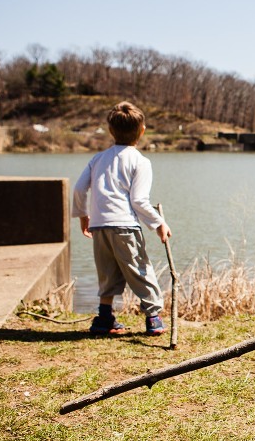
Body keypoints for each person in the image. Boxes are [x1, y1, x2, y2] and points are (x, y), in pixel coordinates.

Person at [72, 101, 171, 336]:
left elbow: (78, 189)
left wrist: (83, 215)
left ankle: (104, 319)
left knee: (106, 272)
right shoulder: (140, 161)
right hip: (125, 225)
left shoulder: (97, 159)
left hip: (99, 225)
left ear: (110, 130)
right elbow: (138, 200)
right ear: (142, 130)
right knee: (140, 270)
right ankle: (153, 318)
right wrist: (158, 223)